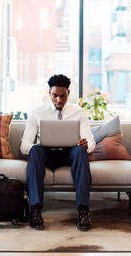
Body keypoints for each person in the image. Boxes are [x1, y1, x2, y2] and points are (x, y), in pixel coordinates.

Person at [20, 74, 96, 231]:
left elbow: (91, 142)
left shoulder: (79, 112)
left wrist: (85, 144)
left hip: (69, 155)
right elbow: (24, 145)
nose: (59, 100)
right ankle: (35, 210)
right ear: (49, 93)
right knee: (34, 150)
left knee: (81, 151)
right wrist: (37, 145)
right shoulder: (36, 113)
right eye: (55, 95)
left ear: (68, 93)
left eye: (63, 96)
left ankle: (83, 211)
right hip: (45, 155)